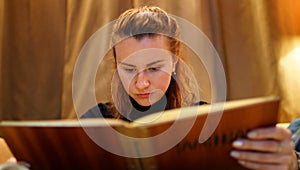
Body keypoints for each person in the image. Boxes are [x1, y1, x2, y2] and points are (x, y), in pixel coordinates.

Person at [81, 6, 299, 169]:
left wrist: (290, 164)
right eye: (128, 69)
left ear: (175, 62)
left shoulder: (206, 122)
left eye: (154, 68)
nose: (141, 83)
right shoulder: (95, 122)